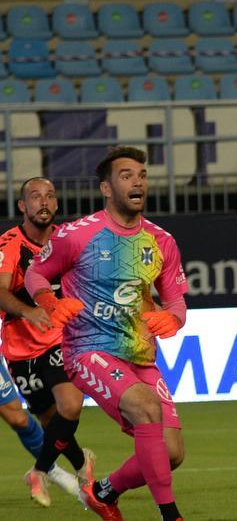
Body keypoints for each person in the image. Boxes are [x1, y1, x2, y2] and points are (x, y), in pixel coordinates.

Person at [24, 146, 189, 521]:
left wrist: (174, 319)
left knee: (173, 452)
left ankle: (103, 492)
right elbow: (36, 272)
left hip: (141, 355)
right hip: (88, 349)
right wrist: (50, 303)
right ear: (107, 188)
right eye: (127, 175)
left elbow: (176, 298)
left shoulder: (161, 240)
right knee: (147, 408)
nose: (138, 182)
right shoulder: (76, 235)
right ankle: (171, 516)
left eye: (142, 175)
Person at [0, 177, 93, 506]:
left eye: (49, 196)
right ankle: (83, 466)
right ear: (22, 206)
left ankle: (39, 472)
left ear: (55, 204)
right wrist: (27, 311)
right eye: (35, 197)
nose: (43, 202)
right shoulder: (10, 244)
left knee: (70, 404)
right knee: (50, 420)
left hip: (60, 338)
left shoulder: (70, 240)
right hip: (19, 347)